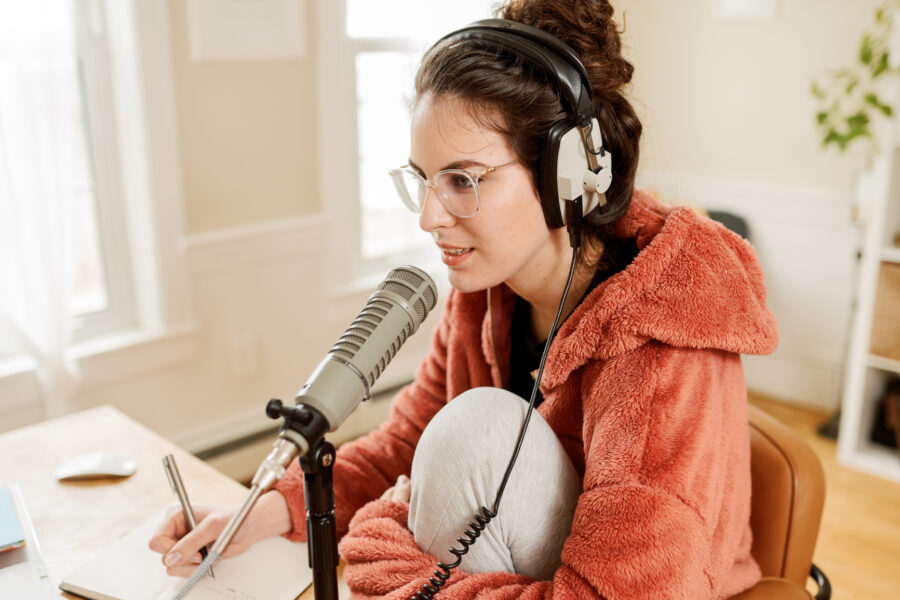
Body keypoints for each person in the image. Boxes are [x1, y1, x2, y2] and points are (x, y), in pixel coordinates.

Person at [149, 1, 778, 598]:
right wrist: (260, 511)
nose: (429, 217)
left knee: (475, 431)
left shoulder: (658, 341)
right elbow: (405, 442)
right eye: (423, 180)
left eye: (463, 180)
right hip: (526, 573)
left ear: (565, 176)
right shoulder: (484, 294)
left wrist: (380, 543)